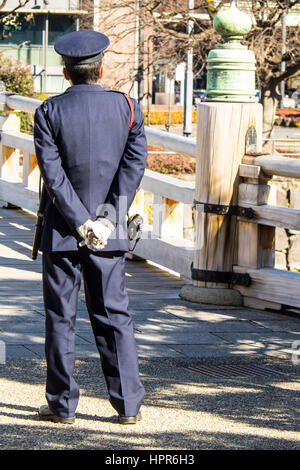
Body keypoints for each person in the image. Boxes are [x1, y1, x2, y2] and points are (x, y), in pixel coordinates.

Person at [34, 30, 147, 425]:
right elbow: (132, 170)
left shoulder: (49, 112)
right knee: (114, 316)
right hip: (109, 230)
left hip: (63, 231)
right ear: (101, 70)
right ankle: (128, 405)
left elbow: (53, 175)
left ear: (66, 73)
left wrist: (81, 222)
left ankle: (62, 406)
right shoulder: (128, 108)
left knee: (61, 318)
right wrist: (106, 219)